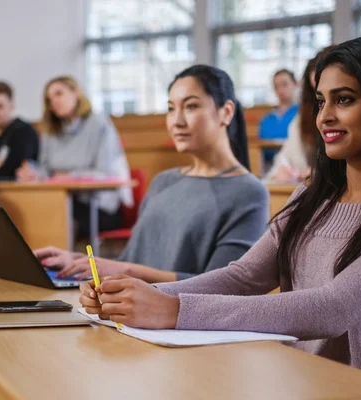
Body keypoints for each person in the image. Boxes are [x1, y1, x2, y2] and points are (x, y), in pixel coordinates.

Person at [79, 34, 361, 386]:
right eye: (321, 101)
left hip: (358, 390)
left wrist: (172, 309)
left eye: (344, 99)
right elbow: (244, 277)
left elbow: (334, 307)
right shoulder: (312, 194)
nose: (323, 117)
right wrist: (136, 295)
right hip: (290, 379)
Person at [35, 65, 269, 283]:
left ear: (226, 112)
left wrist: (123, 271)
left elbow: (220, 286)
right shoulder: (164, 181)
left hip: (175, 322)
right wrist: (74, 261)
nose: (176, 121)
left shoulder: (248, 192)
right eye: (170, 108)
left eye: (191, 106)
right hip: (126, 313)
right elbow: (130, 262)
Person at [16, 76, 133, 237]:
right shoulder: (50, 131)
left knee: (60, 221)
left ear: (76, 92)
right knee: (31, 214)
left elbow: (105, 174)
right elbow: (46, 170)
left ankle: (82, 262)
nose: (54, 102)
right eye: (49, 99)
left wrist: (67, 176)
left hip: (98, 206)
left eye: (59, 94)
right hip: (63, 200)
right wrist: (34, 173)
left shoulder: (99, 124)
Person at [265, 48, 333, 183]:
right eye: (318, 98)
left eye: (342, 99)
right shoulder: (302, 119)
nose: (324, 114)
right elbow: (285, 159)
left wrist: (322, 173)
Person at [259, 69, 299, 141]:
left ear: (295, 84)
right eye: (276, 86)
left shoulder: (303, 114)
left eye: (284, 84)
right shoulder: (267, 119)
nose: (280, 90)